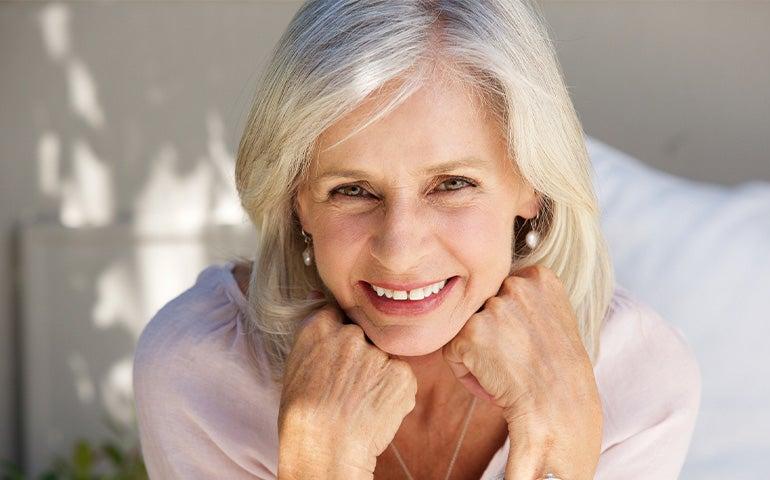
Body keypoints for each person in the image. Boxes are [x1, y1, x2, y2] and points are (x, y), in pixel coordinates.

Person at [132, 1, 702, 479]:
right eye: (353, 190)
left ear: (534, 188)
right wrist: (317, 464)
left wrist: (560, 436)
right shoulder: (200, 371)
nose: (400, 250)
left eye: (452, 184)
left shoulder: (640, 377)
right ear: (296, 200)